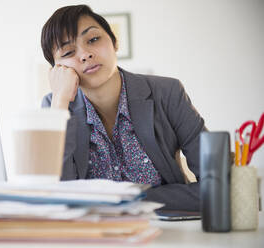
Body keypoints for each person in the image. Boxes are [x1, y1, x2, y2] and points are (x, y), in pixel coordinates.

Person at [41, 4, 206, 211]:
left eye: (93, 39)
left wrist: (129, 201)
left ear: (114, 42)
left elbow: (216, 186)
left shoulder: (167, 92)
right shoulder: (55, 107)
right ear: (57, 70)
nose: (85, 55)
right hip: (92, 238)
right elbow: (53, 199)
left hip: (166, 230)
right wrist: (60, 104)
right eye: (68, 51)